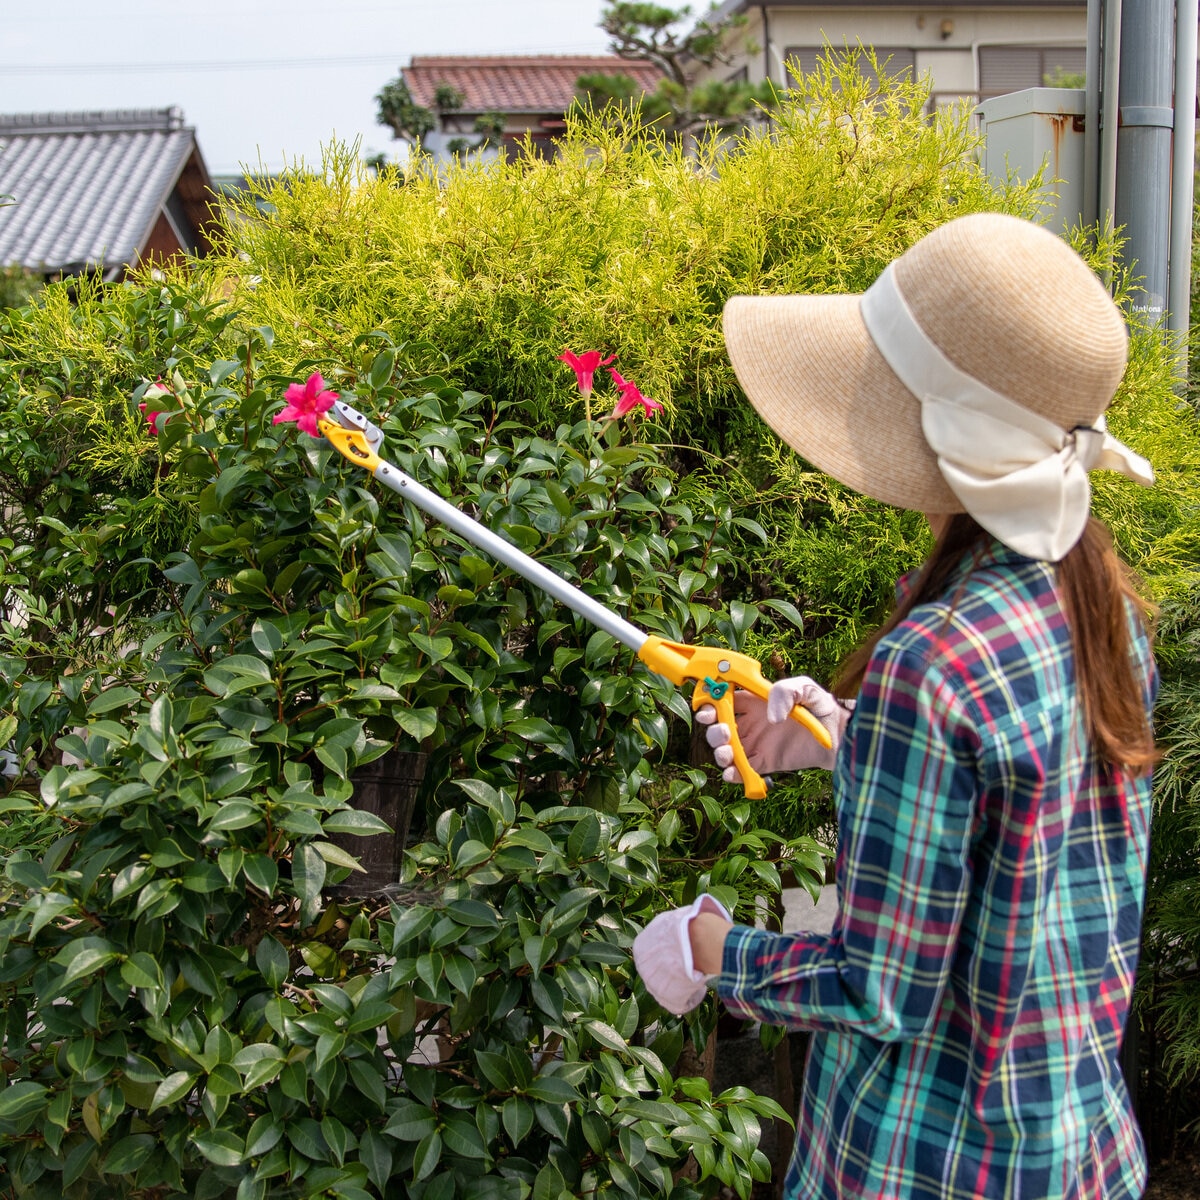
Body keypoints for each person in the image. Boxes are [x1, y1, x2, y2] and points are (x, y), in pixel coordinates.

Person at [632, 212, 1159, 1200]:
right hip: (1074, 1146)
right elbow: (1026, 821)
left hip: (928, 1161)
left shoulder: (930, 662)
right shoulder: (1101, 608)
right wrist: (850, 740)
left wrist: (710, 949)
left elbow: (881, 990)